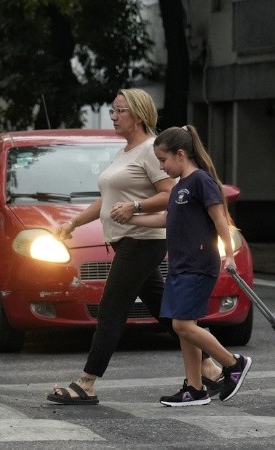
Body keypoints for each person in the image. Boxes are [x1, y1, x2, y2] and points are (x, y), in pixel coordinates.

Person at [47, 89, 223, 405]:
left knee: (111, 310)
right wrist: (74, 223)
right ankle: (210, 367)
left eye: (119, 111)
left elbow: (172, 193)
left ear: (138, 115)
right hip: (129, 242)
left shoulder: (150, 151)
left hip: (140, 243)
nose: (113, 116)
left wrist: (137, 207)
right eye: (112, 111)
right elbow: (109, 199)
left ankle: (87, 382)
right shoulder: (126, 151)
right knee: (168, 313)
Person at [129, 125, 252, 406]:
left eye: (163, 160)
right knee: (185, 327)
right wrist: (132, 220)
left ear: (181, 154)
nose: (161, 166)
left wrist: (230, 255)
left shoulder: (201, 181)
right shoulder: (178, 187)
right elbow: (167, 219)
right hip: (180, 266)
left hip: (198, 264)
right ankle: (195, 388)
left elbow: (220, 219)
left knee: (182, 325)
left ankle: (233, 363)